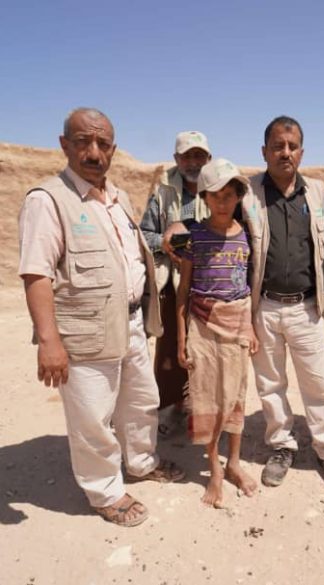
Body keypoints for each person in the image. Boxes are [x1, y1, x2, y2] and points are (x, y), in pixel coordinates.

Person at [18, 107, 184, 528]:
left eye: (103, 144)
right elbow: (36, 273)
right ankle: (105, 491)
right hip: (84, 331)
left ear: (113, 149)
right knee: (92, 417)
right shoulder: (47, 200)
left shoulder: (118, 198)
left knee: (141, 402)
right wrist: (49, 340)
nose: (94, 152)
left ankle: (142, 462)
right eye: (83, 142)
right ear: (64, 145)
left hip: (130, 324)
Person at [240, 116, 324, 491]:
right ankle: (281, 445)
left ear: (301, 152)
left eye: (291, 146)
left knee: (318, 384)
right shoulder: (248, 194)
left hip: (306, 308)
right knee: (270, 384)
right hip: (264, 307)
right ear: (264, 151)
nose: (284, 152)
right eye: (277, 146)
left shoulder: (316, 193)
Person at [176, 158, 258, 507]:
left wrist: (251, 327)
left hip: (238, 323)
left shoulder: (248, 234)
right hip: (202, 323)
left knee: (236, 394)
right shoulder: (194, 236)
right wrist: (181, 338)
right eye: (215, 195)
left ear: (239, 196)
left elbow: (250, 286)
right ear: (204, 198)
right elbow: (183, 289)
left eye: (229, 195)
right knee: (207, 395)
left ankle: (234, 462)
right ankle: (214, 469)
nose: (222, 202)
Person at [140, 131, 212, 432]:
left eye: (199, 156)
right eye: (187, 156)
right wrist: (167, 242)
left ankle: (203, 410)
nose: (193, 162)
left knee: (208, 349)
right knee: (171, 348)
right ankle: (171, 407)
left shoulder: (220, 186)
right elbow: (143, 234)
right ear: (176, 159)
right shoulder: (163, 191)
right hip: (173, 282)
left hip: (210, 282)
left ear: (208, 159)